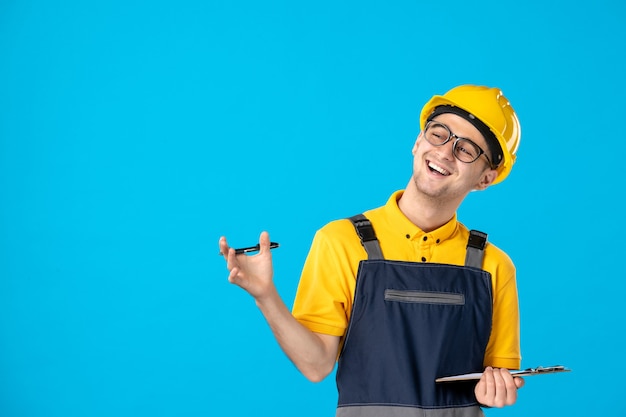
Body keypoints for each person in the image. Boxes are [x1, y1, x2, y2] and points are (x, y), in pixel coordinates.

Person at [219, 85, 525, 417]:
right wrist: (266, 296)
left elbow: (498, 380)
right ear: (418, 142)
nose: (445, 153)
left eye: (466, 149)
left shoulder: (493, 266)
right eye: (439, 134)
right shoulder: (341, 241)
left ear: (485, 178)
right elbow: (316, 365)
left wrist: (497, 390)